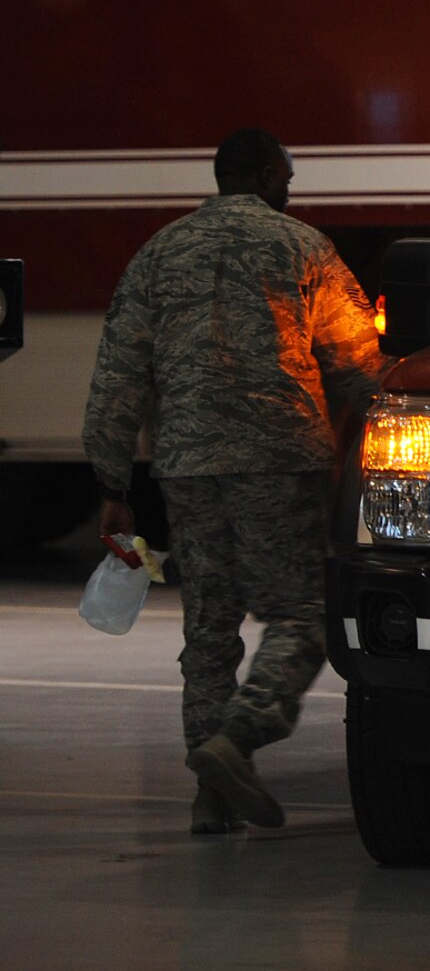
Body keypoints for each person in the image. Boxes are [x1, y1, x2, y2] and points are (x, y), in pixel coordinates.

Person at [84, 128, 385, 835]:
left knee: (209, 626)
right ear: (258, 173)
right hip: (278, 457)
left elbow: (117, 376)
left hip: (186, 465)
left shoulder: (160, 251)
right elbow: (356, 363)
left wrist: (111, 479)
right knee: (302, 612)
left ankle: (209, 797)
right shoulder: (301, 245)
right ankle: (238, 739)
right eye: (285, 170)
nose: (292, 183)